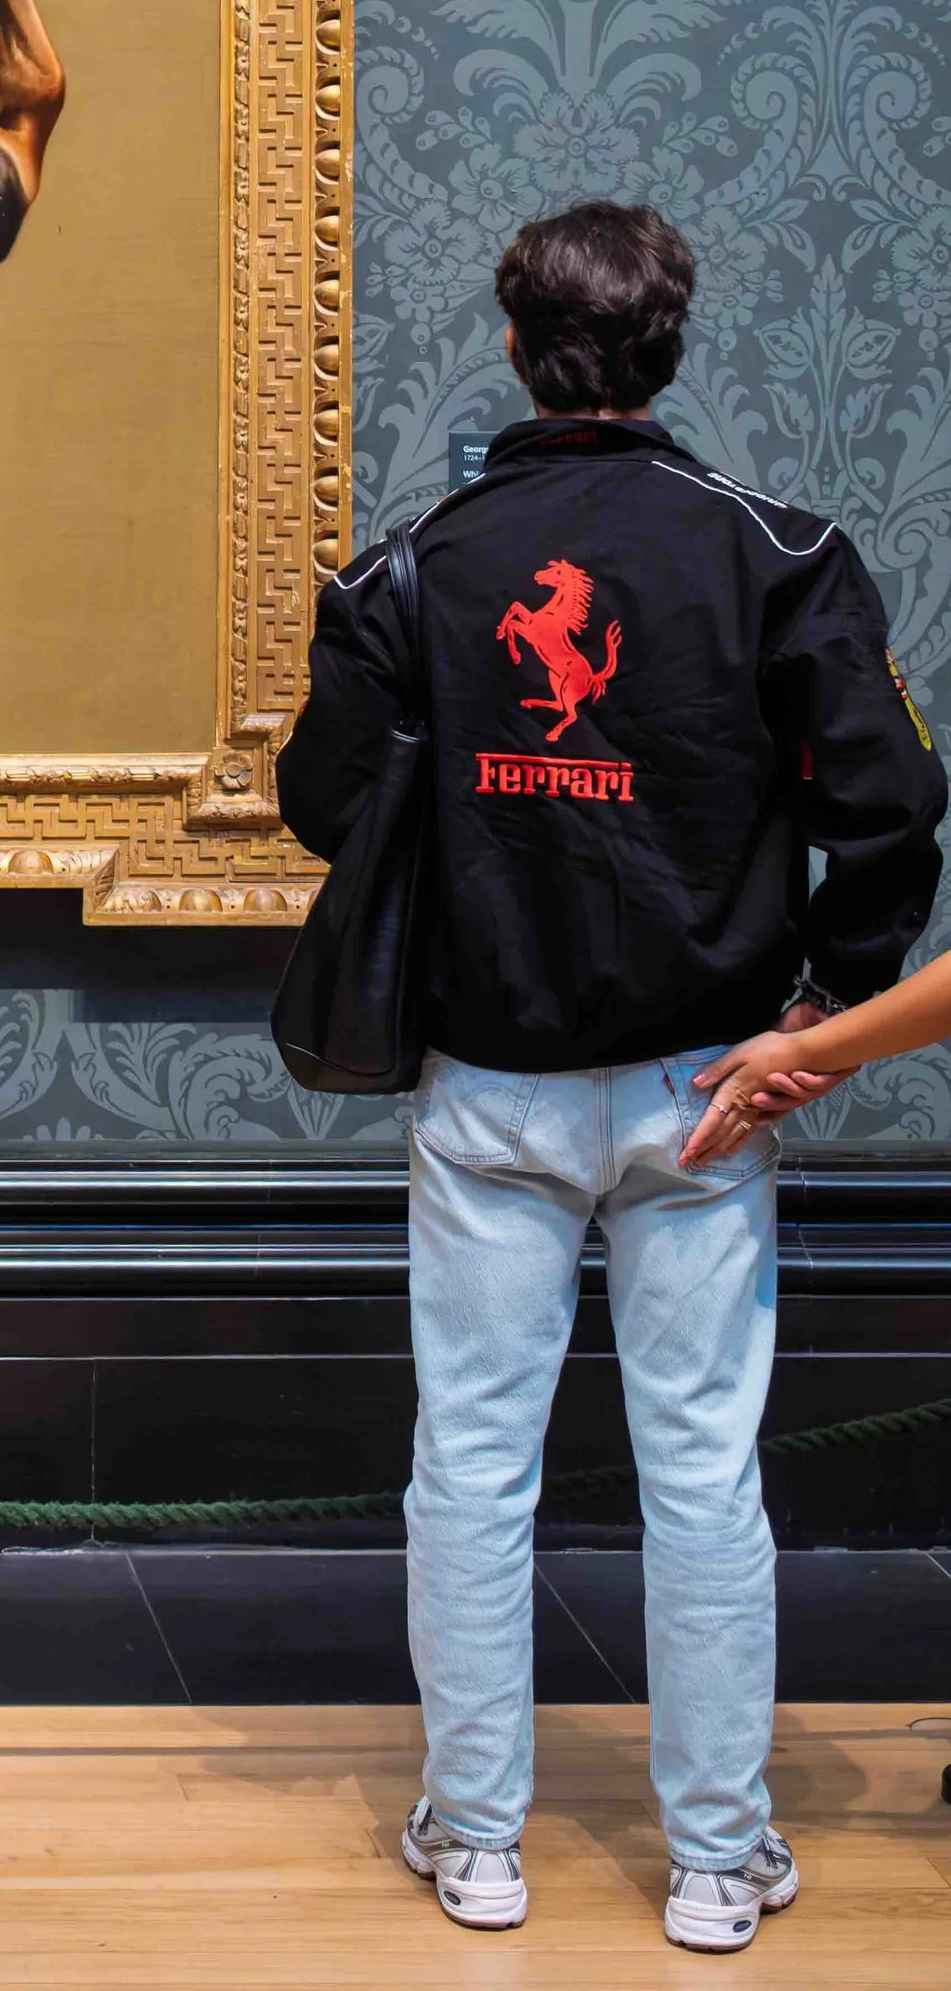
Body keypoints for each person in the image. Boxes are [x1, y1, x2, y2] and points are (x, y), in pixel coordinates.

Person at [276, 200, 946, 1955]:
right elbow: (895, 814)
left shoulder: (414, 564)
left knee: (473, 1464)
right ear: (670, 347)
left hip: (490, 1087)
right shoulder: (780, 555)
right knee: (704, 1471)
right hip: (707, 1093)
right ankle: (720, 1864)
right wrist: (820, 1014)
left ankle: (476, 1839)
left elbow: (319, 802)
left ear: (514, 344)